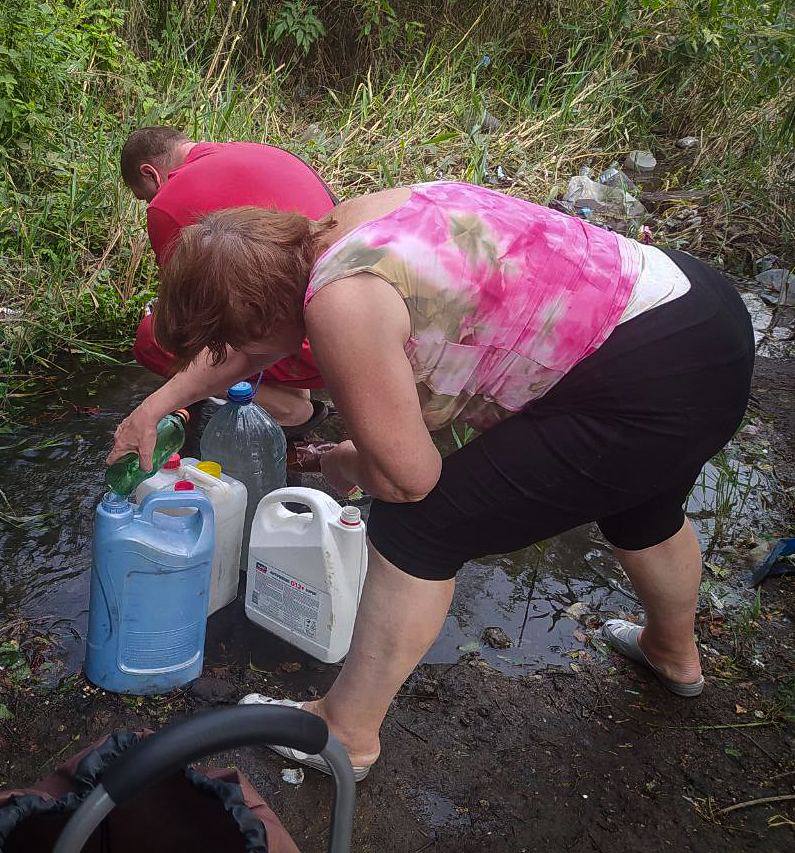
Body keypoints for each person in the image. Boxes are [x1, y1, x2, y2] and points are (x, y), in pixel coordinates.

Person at [108, 181, 754, 781]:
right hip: (692, 313)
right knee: (640, 499)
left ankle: (343, 731)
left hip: (645, 376)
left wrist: (350, 463)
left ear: (255, 316)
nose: (249, 360)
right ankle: (672, 652)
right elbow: (257, 344)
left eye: (234, 341)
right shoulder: (344, 223)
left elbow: (410, 479)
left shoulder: (341, 302)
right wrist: (155, 405)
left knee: (420, 524)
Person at [120, 126, 335, 437]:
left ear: (151, 173)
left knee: (154, 339)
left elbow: (186, 314)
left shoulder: (167, 201)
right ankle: (295, 392)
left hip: (310, 344)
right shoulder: (267, 152)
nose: (150, 204)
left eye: (145, 196)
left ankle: (291, 410)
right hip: (346, 317)